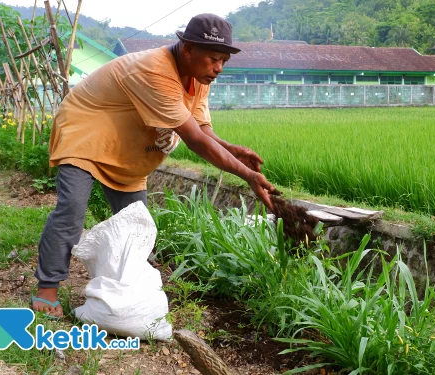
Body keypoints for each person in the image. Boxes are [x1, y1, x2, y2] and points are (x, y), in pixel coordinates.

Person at [31, 13, 278, 318]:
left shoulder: (199, 77)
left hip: (125, 146)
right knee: (72, 208)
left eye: (224, 61)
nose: (218, 68)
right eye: (214, 59)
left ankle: (127, 294)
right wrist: (248, 175)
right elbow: (195, 141)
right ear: (187, 48)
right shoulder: (155, 70)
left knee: (137, 224)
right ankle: (47, 289)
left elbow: (202, 128)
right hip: (86, 132)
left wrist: (232, 150)